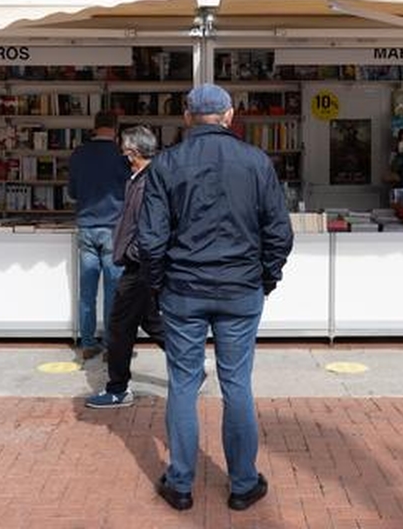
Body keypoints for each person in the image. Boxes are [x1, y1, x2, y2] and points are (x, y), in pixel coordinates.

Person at [138, 82, 294, 512]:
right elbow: (279, 233)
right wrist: (266, 278)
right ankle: (243, 483)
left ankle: (181, 482)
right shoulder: (255, 161)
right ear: (229, 116)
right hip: (240, 290)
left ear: (187, 117)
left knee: (184, 385)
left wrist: (158, 286)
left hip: (184, 290)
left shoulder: (166, 164)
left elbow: (149, 240)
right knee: (236, 383)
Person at [85, 126, 165, 409]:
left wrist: (132, 253)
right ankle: (191, 362)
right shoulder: (142, 178)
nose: (122, 157)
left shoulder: (147, 183)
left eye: (124, 152)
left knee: (118, 328)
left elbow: (150, 228)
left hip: (139, 266)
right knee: (151, 322)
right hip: (141, 264)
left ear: (132, 153)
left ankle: (117, 389)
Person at [68, 110, 131, 360]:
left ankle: (86, 343)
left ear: (94, 127)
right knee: (113, 291)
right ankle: (110, 344)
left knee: (87, 291)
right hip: (113, 229)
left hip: (86, 226)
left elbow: (73, 192)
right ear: (115, 129)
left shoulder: (78, 154)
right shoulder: (121, 157)